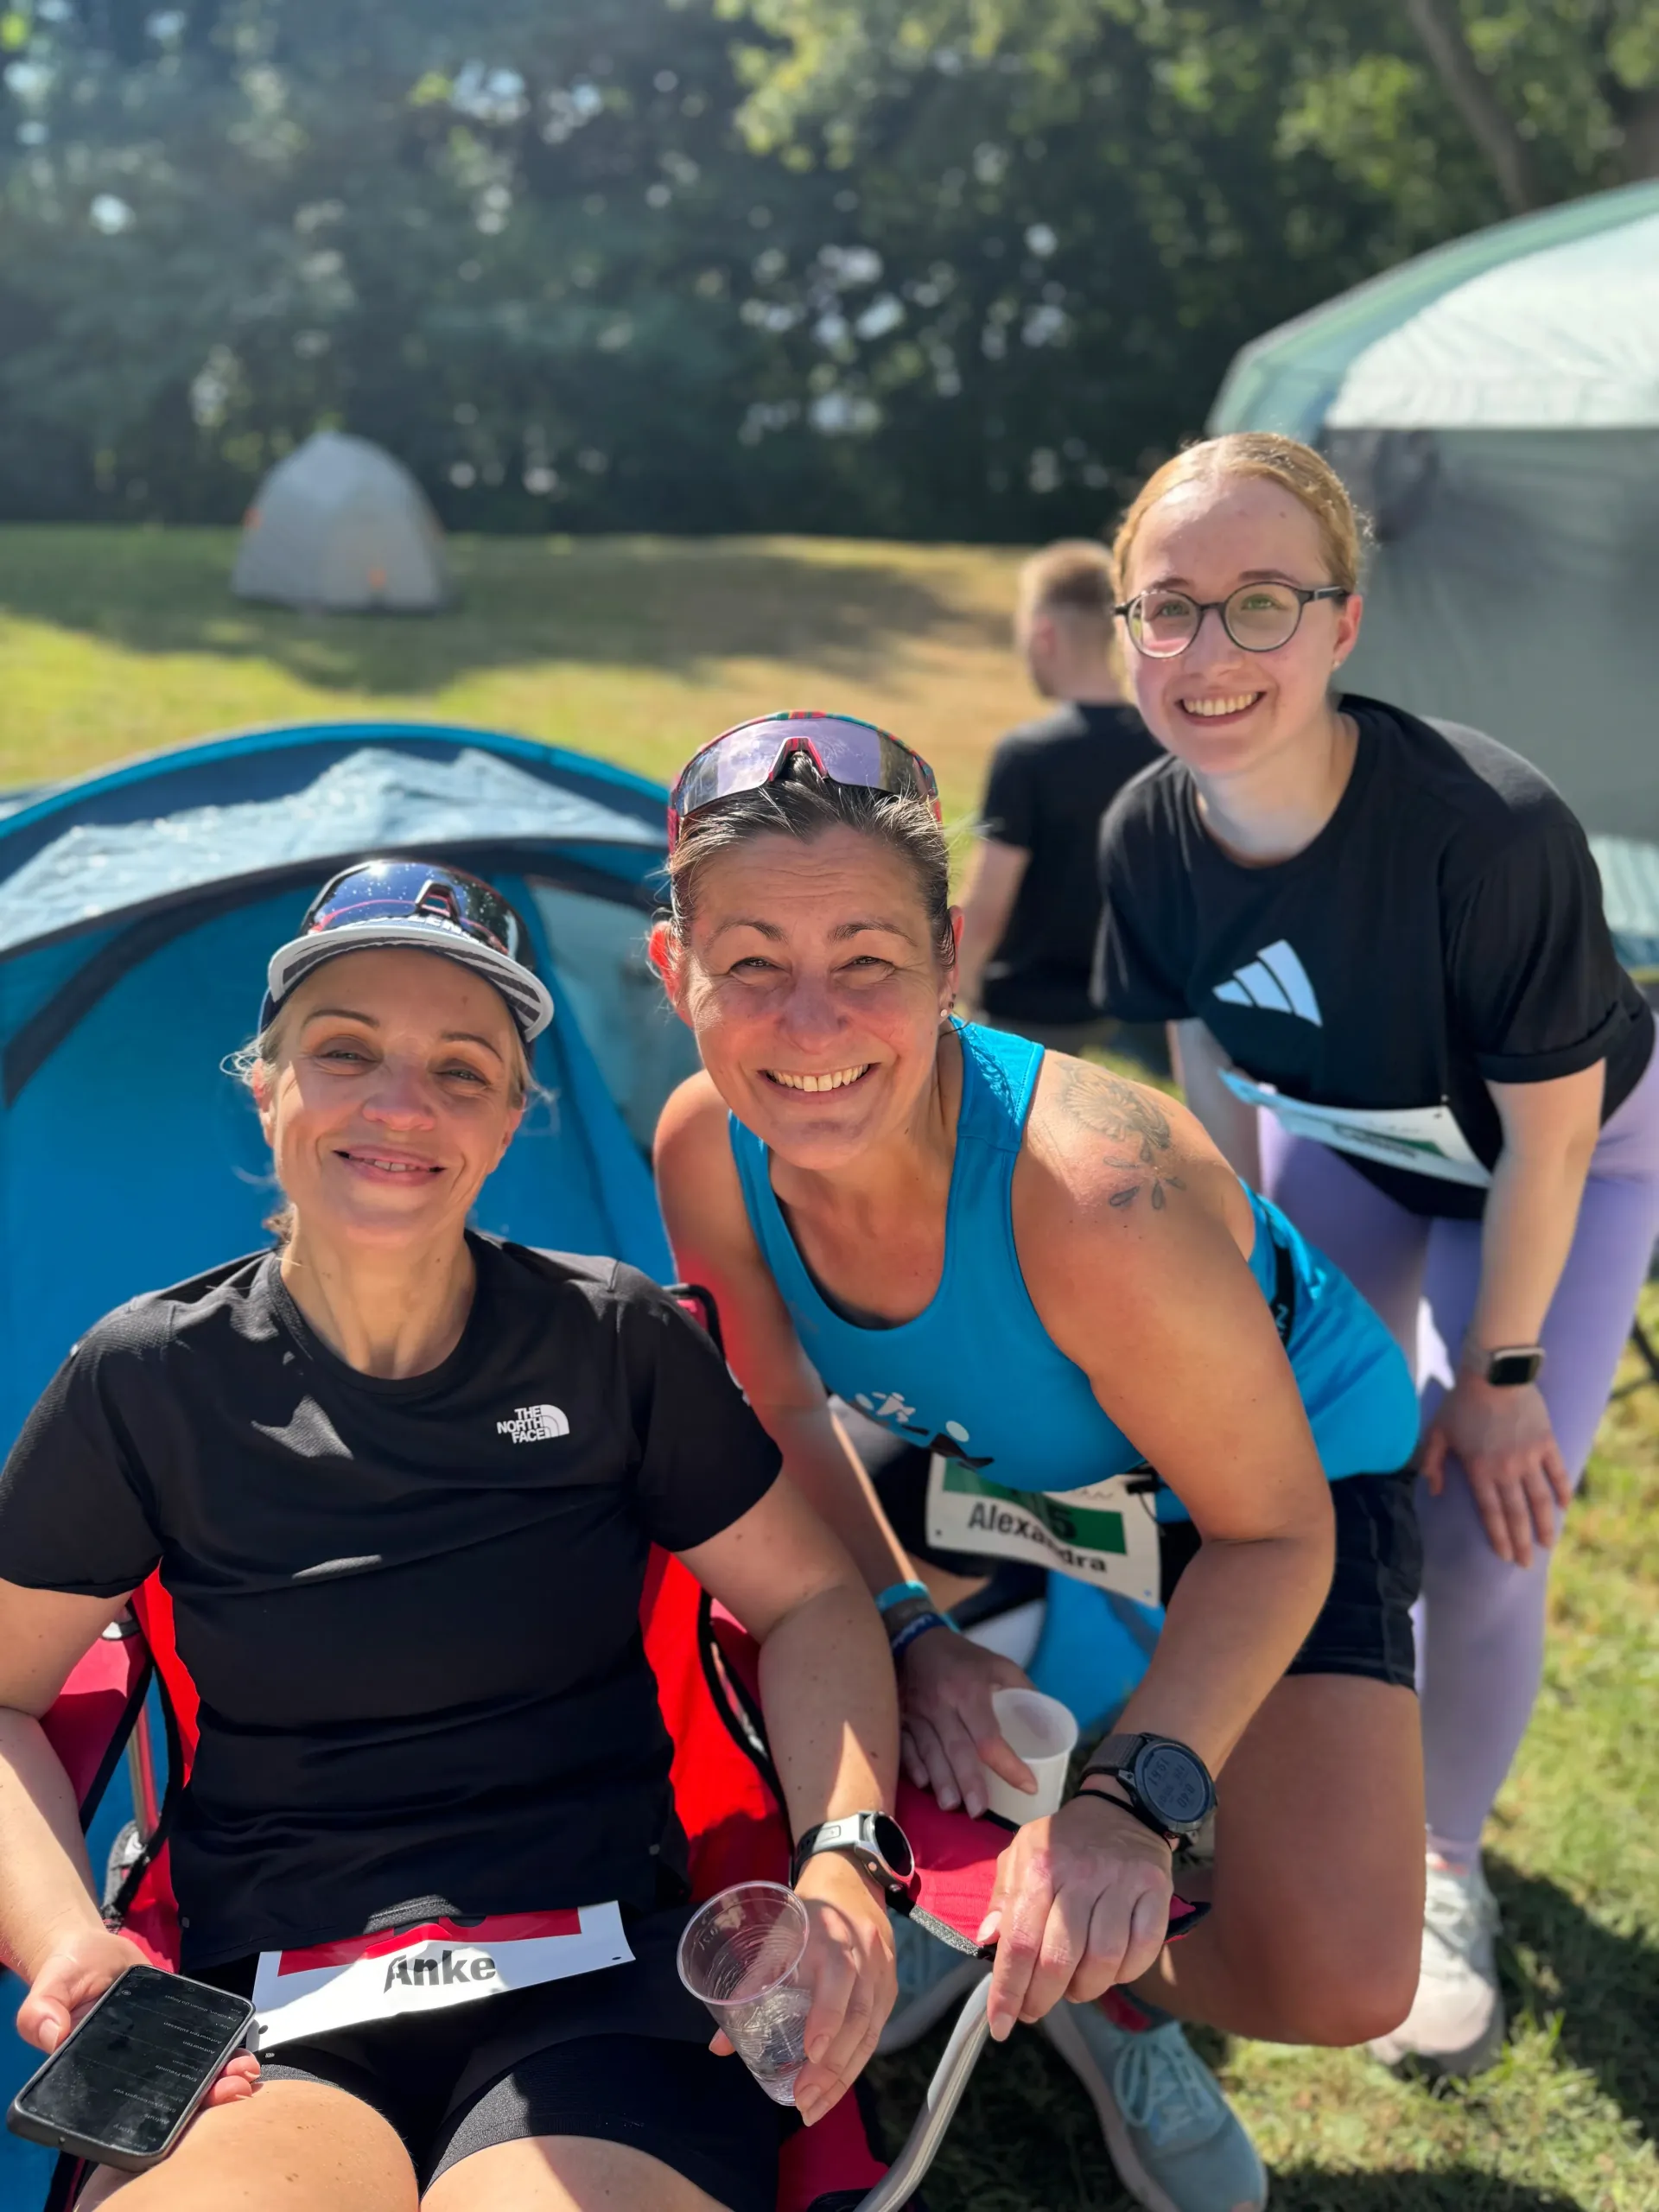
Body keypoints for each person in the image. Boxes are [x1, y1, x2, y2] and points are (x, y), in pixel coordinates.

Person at [0, 858, 899, 2212]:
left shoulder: (613, 1345)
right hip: (266, 2022)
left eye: (462, 1071)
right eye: (344, 1051)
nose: (401, 1105)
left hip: (604, 1988)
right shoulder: (148, 1382)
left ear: (510, 1121)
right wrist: (69, 1933)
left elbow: (813, 1602)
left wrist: (845, 1861)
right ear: (268, 1083)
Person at [649, 711, 1427, 2212]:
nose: (810, 1029)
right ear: (677, 972)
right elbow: (791, 1421)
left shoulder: (1096, 1195)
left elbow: (1271, 1535)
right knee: (715, 1551)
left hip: (1262, 1489)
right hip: (997, 1463)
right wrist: (904, 1630)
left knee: (1338, 1980)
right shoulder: (705, 1143)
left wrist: (1125, 1810)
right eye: (751, 966)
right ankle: (987, 1888)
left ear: (952, 960)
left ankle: (1076, 1963)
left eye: (867, 962)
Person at [1092, 431, 1659, 2077]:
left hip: (1565, 1166)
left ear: (1343, 626)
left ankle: (1439, 1868)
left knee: (1486, 1509)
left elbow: (1547, 1142)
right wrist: (1219, 1298)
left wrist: (1497, 1380)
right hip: (1351, 1155)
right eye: (1170, 609)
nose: (1211, 655)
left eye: (1262, 606)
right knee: (1281, 1473)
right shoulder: (1147, 832)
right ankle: (1278, 1779)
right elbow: (1210, 1108)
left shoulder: (1485, 831)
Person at [954, 541, 1164, 1067]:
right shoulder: (1165, 746)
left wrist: (953, 994)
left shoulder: (1028, 755)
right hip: (1133, 1008)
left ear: (1043, 633)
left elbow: (987, 905)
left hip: (1030, 1018)